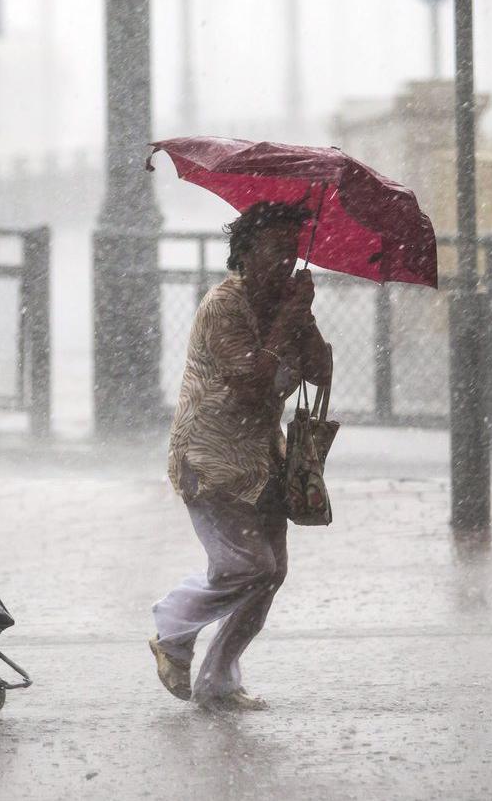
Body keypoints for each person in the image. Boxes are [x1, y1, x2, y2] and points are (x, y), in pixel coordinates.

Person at [149, 201, 333, 711]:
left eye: (292, 252)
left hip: (264, 460)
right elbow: (252, 382)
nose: (285, 263)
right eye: (276, 251)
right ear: (246, 253)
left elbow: (319, 372)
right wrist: (286, 320)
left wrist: (305, 318)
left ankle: (218, 682)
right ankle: (172, 624)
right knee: (247, 565)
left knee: (270, 574)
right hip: (212, 459)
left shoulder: (285, 303)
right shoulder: (223, 306)